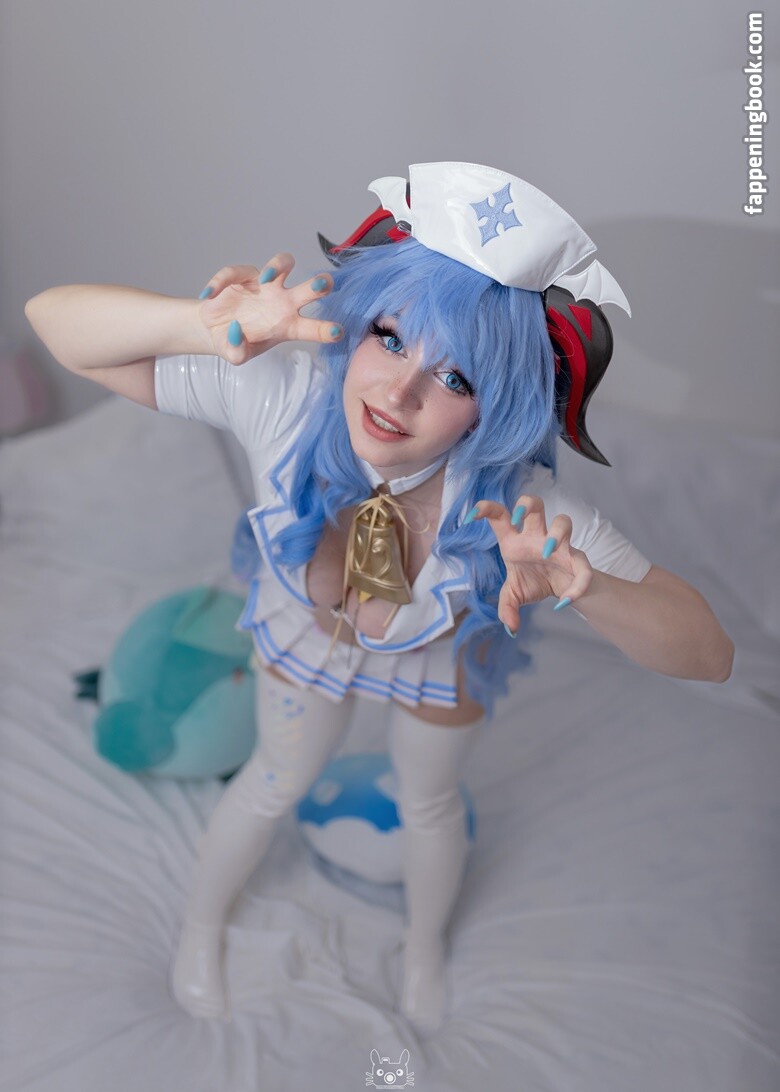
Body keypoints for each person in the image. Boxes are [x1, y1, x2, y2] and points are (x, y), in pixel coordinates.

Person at [25, 162, 734, 1034]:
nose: (399, 394)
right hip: (307, 628)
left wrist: (585, 589)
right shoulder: (285, 398)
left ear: (495, 410)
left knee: (429, 802)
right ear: (357, 325)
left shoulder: (521, 507)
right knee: (273, 781)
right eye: (391, 337)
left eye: (458, 379)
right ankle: (200, 928)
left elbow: (710, 655)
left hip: (439, 652)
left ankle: (424, 947)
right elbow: (54, 322)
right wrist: (199, 326)